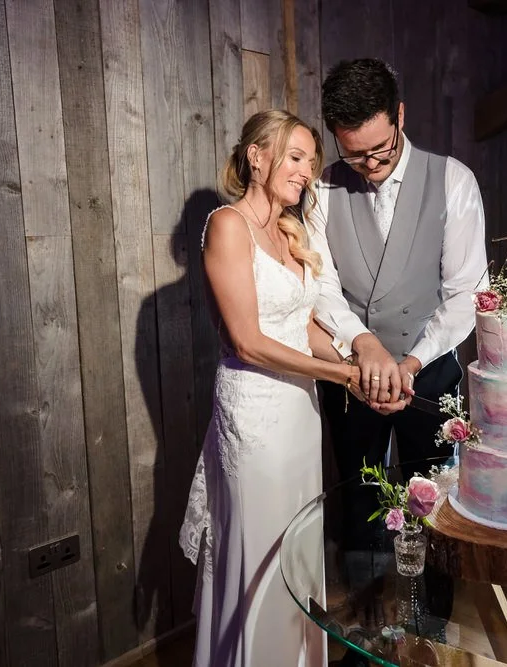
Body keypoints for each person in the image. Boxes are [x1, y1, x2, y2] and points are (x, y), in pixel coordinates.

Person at [179, 109, 376, 667]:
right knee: (262, 553)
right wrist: (344, 376)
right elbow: (247, 341)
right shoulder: (228, 225)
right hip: (255, 420)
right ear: (257, 156)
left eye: (311, 161)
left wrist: (353, 364)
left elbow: (303, 326)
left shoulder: (291, 229)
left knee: (297, 555)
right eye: (295, 157)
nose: (306, 172)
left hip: (299, 415)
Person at [308, 59, 488, 544]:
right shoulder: (322, 189)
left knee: (437, 509)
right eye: (354, 154)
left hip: (428, 370)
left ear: (400, 116)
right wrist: (363, 344)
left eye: (380, 149)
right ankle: (365, 592)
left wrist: (409, 363)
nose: (369, 165)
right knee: (360, 505)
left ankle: (435, 595)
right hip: (350, 373)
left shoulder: (454, 181)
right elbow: (321, 285)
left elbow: (464, 293)